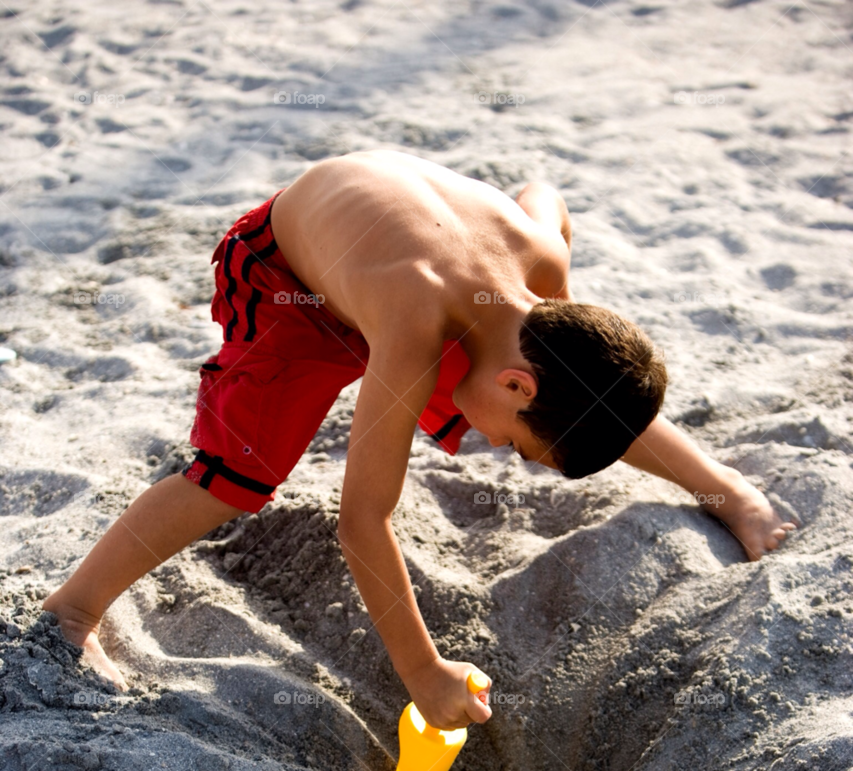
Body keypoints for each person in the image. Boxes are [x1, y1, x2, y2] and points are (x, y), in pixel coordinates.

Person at [43, 150, 795, 729]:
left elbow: (543, 198)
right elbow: (362, 518)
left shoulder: (542, 268)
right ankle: (72, 612)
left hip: (418, 269)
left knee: (584, 399)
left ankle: (726, 489)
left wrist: (719, 490)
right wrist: (424, 671)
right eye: (514, 443)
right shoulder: (412, 322)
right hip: (291, 281)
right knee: (240, 472)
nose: (497, 450)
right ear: (514, 385)